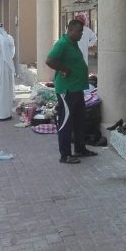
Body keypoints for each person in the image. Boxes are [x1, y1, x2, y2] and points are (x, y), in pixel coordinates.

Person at [46, 19, 97, 164]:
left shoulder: (73, 43)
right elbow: (49, 60)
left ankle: (80, 149)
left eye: (82, 31)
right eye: (79, 31)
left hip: (77, 88)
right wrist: (65, 69)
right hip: (67, 89)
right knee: (66, 122)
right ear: (70, 30)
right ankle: (65, 155)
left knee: (79, 121)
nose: (81, 34)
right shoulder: (62, 44)